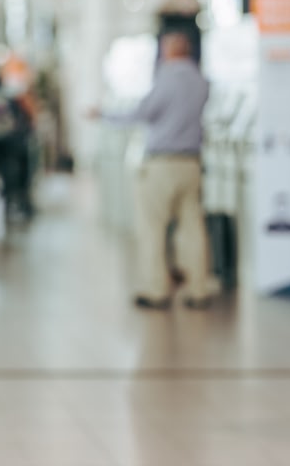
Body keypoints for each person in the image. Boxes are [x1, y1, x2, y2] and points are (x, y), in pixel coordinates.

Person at [89, 30, 214, 309]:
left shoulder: (166, 78)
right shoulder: (201, 81)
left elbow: (143, 113)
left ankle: (157, 289)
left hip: (162, 164)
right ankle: (199, 288)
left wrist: (103, 114)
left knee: (153, 227)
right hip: (192, 163)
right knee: (193, 226)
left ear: (170, 51)